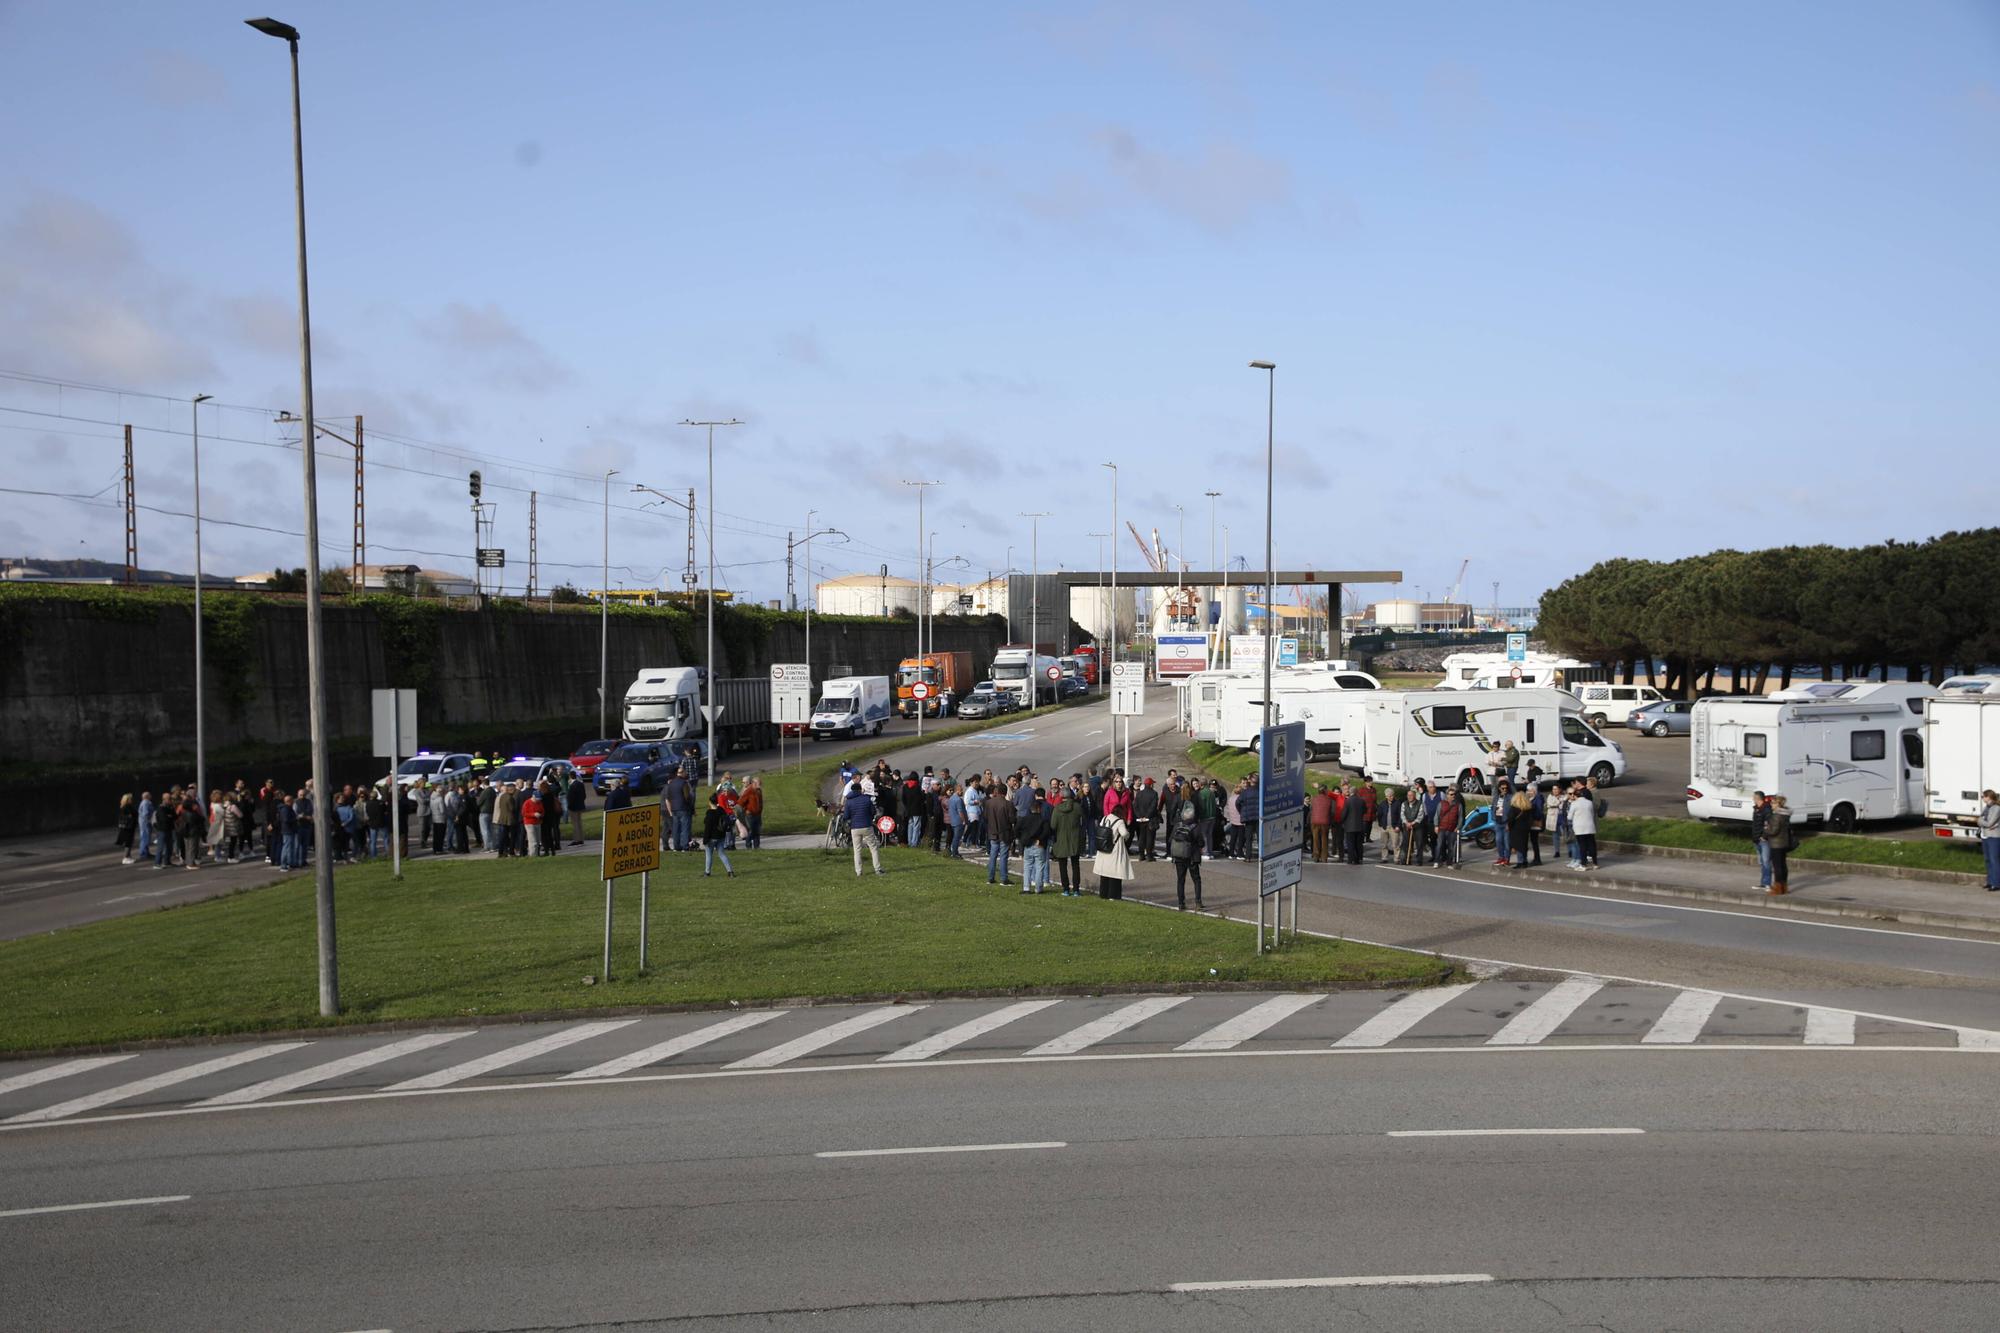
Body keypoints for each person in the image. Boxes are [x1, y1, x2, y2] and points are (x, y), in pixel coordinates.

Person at [1168, 799, 1204, 910]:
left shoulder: (1177, 825)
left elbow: (1170, 839)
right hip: (1192, 856)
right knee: (1196, 879)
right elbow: (1201, 842)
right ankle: (1198, 902)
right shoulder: (1195, 827)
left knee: (1180, 880)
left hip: (1179, 856)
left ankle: (1181, 903)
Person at [1050, 785, 1085, 895]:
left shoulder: (1057, 808)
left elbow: (1053, 825)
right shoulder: (1077, 807)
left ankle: (1065, 889)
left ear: (1061, 796)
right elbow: (1083, 821)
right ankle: (1076, 889)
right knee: (1075, 865)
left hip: (1061, 839)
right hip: (1075, 838)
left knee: (1062, 866)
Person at [844, 781, 882, 877]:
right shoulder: (866, 799)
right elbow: (873, 811)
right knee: (873, 848)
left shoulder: (848, 801)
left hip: (855, 828)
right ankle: (877, 869)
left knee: (857, 850)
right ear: (860, 789)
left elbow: (846, 816)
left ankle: (859, 871)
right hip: (867, 826)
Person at [1094, 805, 1132, 899]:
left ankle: (1103, 894)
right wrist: (1128, 835)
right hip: (1114, 849)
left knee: (1104, 874)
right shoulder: (1119, 822)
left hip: (1103, 848)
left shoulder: (1105, 818)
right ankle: (1114, 895)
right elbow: (1124, 834)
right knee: (1115, 874)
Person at [1018, 788, 1050, 894]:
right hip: (1039, 844)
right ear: (1039, 809)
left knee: (1027, 866)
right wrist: (1040, 839)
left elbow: (1017, 829)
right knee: (1039, 866)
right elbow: (1046, 831)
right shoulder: (1042, 820)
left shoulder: (1025, 819)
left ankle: (1026, 887)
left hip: (1028, 844)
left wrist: (1023, 840)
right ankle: (1038, 888)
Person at [985, 782, 1017, 886]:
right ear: (1005, 792)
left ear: (996, 791)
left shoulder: (989, 803)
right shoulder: (1008, 804)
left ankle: (990, 877)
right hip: (1004, 832)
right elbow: (1012, 819)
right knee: (1003, 856)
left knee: (993, 856)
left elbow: (985, 816)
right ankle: (1004, 878)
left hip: (993, 832)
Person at [701, 793, 737, 877]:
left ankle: (707, 872)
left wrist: (705, 840)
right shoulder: (721, 810)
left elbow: (707, 828)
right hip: (721, 836)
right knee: (721, 854)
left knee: (709, 855)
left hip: (711, 838)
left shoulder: (709, 813)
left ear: (710, 802)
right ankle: (730, 871)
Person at [1765, 793, 1794, 894]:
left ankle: (1777, 888)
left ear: (1778, 804)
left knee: (1777, 866)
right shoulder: (1785, 815)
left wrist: (1766, 830)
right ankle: (1784, 886)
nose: (1771, 805)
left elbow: (1774, 831)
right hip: (1784, 842)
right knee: (1783, 865)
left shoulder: (1777, 815)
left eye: (1773, 803)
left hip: (1776, 843)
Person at [1570, 779, 1600, 871]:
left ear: (1576, 795)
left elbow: (1569, 816)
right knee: (1591, 844)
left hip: (1580, 827)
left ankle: (1583, 864)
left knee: (1582, 846)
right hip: (1590, 826)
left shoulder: (1574, 804)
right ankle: (1595, 863)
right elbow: (1591, 813)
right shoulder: (1589, 803)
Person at [1750, 790, 1774, 890]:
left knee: (1766, 861)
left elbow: (1769, 825)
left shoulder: (1766, 809)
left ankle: (1767, 883)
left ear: (1757, 798)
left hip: (1764, 840)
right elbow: (1756, 825)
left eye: (1753, 797)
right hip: (1756, 839)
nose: (1752, 799)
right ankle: (1763, 883)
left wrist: (1763, 836)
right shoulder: (1756, 809)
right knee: (1762, 862)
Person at [1131, 778, 1160, 862]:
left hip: (1140, 819)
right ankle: (1149, 855)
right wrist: (1147, 816)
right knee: (1150, 837)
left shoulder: (1139, 793)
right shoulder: (1154, 794)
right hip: (1150, 819)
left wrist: (1140, 816)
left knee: (1141, 837)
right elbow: (1153, 806)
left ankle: (1141, 855)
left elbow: (1135, 805)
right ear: (1151, 785)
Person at [1981, 790, 2000, 892]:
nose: (1982, 798)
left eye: (1983, 796)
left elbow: (1989, 823)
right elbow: (1985, 821)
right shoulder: (1986, 808)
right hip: (1985, 836)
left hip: (1994, 837)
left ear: (1989, 797)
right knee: (1987, 860)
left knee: (1994, 860)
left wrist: (1979, 821)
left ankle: (1996, 883)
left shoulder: (1996, 808)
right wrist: (1982, 821)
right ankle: (1990, 881)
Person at [1309, 784, 1333, 863]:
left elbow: (1311, 809)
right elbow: (1331, 812)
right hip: (1325, 822)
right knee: (1324, 840)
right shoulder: (1329, 800)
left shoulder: (1313, 799)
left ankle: (1316, 856)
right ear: (1325, 791)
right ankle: (1324, 857)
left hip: (1315, 821)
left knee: (1315, 839)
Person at [567, 771, 589, 847]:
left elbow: (571, 798)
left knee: (575, 824)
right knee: (579, 823)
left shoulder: (572, 786)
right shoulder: (580, 784)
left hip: (574, 807)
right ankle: (581, 838)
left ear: (570, 777)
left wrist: (569, 806)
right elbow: (584, 795)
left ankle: (577, 839)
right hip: (580, 806)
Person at [116, 793, 138, 864]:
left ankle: (128, 856)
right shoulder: (125, 807)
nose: (132, 800)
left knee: (130, 842)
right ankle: (125, 857)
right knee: (128, 842)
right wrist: (130, 816)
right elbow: (128, 816)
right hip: (127, 827)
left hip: (129, 827)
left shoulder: (127, 806)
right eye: (130, 799)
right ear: (127, 800)